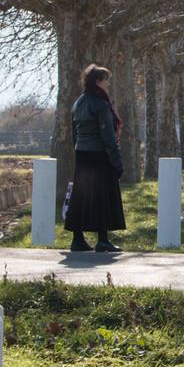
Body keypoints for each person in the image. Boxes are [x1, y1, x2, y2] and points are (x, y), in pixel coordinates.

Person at [65, 64, 126, 252]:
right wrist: (116, 161)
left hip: (82, 154)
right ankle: (102, 240)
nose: (108, 84)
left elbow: (74, 132)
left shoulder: (79, 102)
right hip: (99, 154)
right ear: (99, 81)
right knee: (103, 196)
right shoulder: (100, 103)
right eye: (106, 80)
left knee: (81, 197)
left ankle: (78, 239)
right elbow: (107, 135)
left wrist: (78, 150)